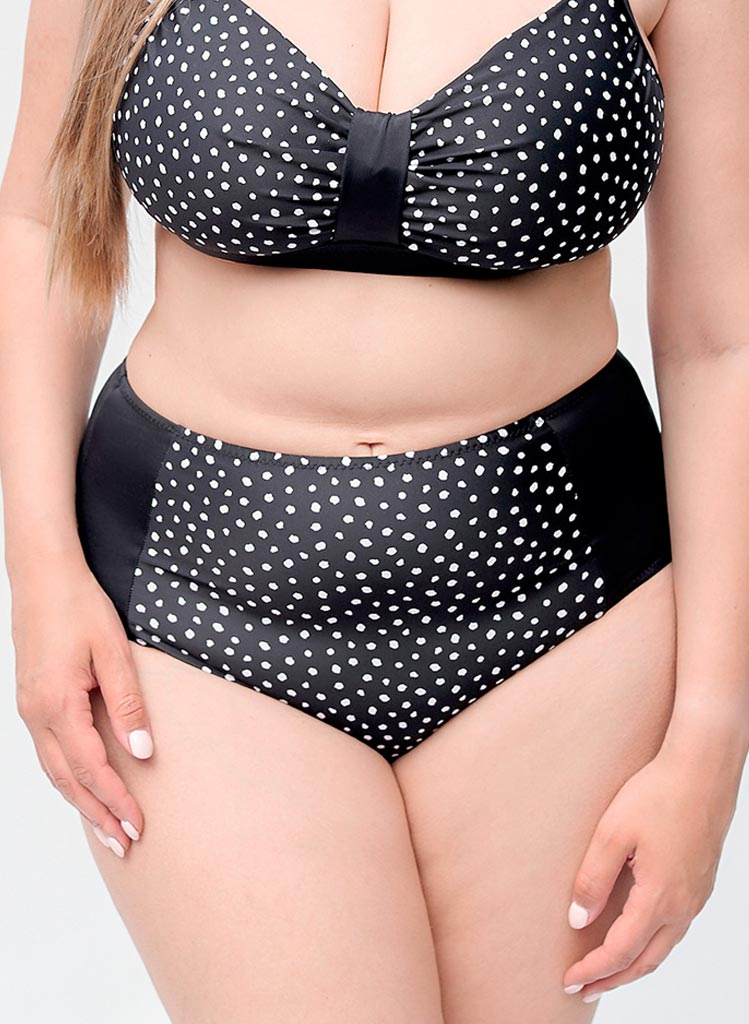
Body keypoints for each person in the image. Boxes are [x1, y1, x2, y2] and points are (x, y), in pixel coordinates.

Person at [1, 0, 747, 1019]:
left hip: (561, 608)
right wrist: (40, 570)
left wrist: (710, 729)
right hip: (197, 598)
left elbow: (720, 339)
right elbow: (41, 221)